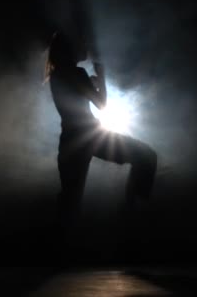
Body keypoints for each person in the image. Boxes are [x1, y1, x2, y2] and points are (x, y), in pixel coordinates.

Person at [45, 32, 157, 225]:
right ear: (71, 48)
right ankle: (132, 214)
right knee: (146, 156)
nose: (86, 47)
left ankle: (57, 242)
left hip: (71, 141)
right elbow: (102, 104)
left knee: (70, 202)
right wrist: (102, 78)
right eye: (82, 43)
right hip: (90, 137)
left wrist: (92, 84)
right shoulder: (76, 73)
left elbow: (79, 96)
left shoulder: (57, 75)